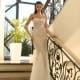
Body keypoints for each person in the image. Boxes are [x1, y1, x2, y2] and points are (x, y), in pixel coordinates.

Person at [24, 1, 54, 80]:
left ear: (42, 7)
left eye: (40, 6)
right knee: (39, 54)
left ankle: (44, 76)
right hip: (36, 36)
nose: (38, 8)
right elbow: (25, 26)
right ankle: (37, 77)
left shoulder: (45, 16)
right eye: (37, 6)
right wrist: (31, 35)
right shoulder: (32, 15)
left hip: (43, 36)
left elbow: (46, 28)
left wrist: (52, 35)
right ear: (35, 7)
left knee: (44, 54)